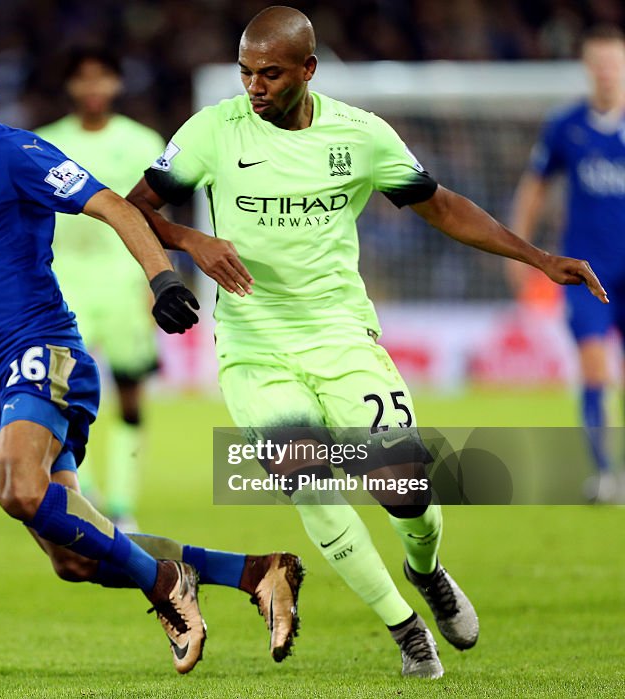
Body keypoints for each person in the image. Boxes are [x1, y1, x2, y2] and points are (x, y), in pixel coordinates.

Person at [127, 6, 607, 679]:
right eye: (245, 73)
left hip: (341, 335)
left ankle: (427, 571)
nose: (254, 87)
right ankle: (405, 628)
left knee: (405, 488)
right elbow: (134, 205)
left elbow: (440, 204)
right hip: (254, 346)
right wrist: (191, 242)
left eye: (269, 74)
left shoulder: (360, 136)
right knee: (306, 478)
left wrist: (538, 257)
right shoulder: (212, 130)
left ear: (308, 71)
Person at [0, 28, 304, 674]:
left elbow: (113, 205)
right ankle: (257, 572)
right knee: (74, 557)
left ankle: (167, 585)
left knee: (18, 489)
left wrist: (162, 278)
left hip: (44, 351)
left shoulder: (19, 154)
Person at [34, 48, 166, 530]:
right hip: (64, 283)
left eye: (102, 77)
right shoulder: (44, 143)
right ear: (70, 87)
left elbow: (155, 218)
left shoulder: (141, 142)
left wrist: (157, 280)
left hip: (124, 279)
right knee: (63, 394)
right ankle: (83, 491)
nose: (93, 88)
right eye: (83, 79)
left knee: (130, 394)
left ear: (116, 83)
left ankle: (124, 504)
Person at [509, 25, 625, 504]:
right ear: (586, 69)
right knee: (595, 365)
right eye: (597, 64)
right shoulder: (566, 126)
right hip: (589, 270)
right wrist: (521, 250)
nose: (606, 72)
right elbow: (534, 189)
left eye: (613, 63)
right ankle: (605, 474)